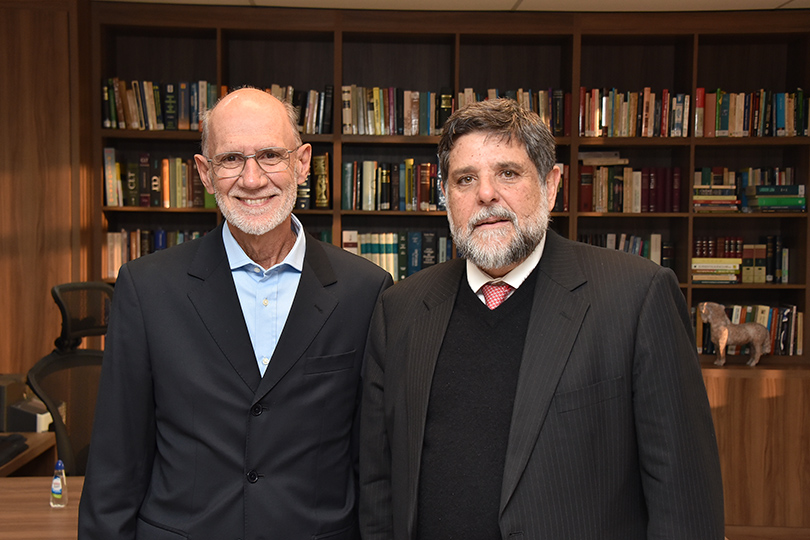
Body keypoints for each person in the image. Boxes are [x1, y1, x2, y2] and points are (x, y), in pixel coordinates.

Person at [359, 98, 724, 540]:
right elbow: (378, 486)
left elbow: (684, 499)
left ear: (551, 185)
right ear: (445, 196)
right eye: (465, 179)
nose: (486, 194)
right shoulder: (399, 310)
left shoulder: (637, 297)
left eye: (508, 173)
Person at [79, 88, 393, 539]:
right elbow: (115, 464)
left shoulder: (365, 291)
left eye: (270, 155)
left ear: (302, 163)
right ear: (205, 173)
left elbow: (373, 466)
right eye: (230, 159)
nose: (251, 179)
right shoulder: (146, 289)